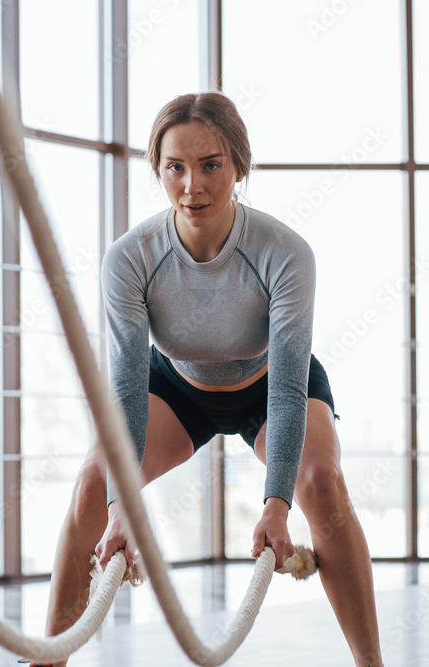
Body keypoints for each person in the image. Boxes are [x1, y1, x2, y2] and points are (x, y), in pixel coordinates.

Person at [34, 92, 383, 667]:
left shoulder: (286, 253)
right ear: (158, 170)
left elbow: (291, 386)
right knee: (95, 484)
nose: (192, 185)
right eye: (175, 167)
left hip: (271, 384)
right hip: (176, 386)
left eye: (210, 166)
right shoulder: (130, 258)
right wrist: (123, 502)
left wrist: (276, 505)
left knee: (321, 484)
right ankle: (49, 662)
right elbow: (124, 387)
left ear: (239, 167)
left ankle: (371, 663)